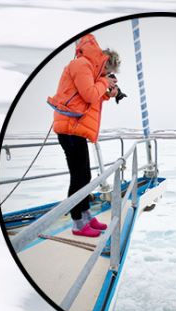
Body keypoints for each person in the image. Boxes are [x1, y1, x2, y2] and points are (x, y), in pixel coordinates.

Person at [47, 35, 120, 238]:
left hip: (75, 129)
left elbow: (88, 98)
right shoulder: (82, 65)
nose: (106, 75)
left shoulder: (89, 68)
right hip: (70, 129)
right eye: (108, 72)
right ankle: (78, 223)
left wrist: (108, 94)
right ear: (104, 63)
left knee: (84, 177)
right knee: (78, 177)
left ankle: (86, 216)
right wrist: (104, 82)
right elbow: (88, 94)